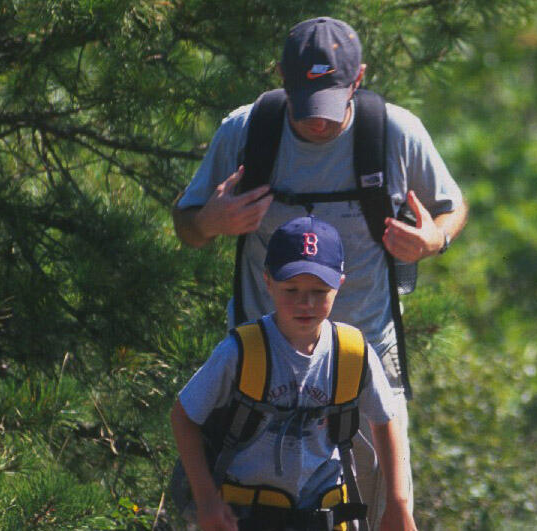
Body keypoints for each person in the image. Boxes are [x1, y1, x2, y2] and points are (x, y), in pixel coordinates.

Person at [172, 16, 467, 526]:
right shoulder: (248, 131)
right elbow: (186, 224)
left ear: (359, 79)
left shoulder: (392, 132)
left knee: (378, 516)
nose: (318, 122)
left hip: (365, 358)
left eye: (331, 105)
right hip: (259, 372)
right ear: (283, 81)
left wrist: (432, 240)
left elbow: (452, 206)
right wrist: (211, 221)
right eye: (306, 106)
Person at [170, 216, 416, 530]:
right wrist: (206, 499)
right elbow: (183, 415)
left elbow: (385, 419)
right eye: (291, 288)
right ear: (268, 281)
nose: (305, 302)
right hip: (247, 516)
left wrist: (396, 502)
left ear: (339, 284)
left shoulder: (352, 353)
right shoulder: (243, 351)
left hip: (324, 516)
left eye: (319, 290)